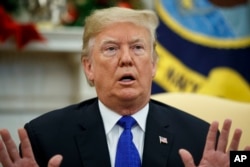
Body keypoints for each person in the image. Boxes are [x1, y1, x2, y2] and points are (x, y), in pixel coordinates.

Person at [0, 7, 249, 167]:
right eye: (111, 49)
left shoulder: (202, 140)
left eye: (138, 48)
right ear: (89, 68)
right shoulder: (43, 138)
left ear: (153, 65)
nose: (126, 58)